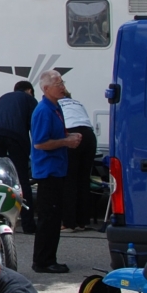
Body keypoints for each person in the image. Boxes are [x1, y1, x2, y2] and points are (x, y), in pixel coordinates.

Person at [28, 71, 78, 273]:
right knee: (48, 218)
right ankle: (43, 261)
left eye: (62, 81)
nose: (62, 86)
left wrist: (69, 136)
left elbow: (55, 135)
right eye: (57, 83)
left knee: (55, 217)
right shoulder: (43, 111)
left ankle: (50, 257)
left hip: (58, 169)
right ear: (46, 88)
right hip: (48, 172)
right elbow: (40, 143)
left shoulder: (56, 108)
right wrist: (66, 141)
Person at [0, 81, 38, 233]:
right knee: (21, 180)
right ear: (29, 90)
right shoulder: (29, 99)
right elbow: (35, 124)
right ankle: (28, 225)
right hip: (16, 138)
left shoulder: (2, 98)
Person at [57, 85, 97, 230]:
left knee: (69, 180)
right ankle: (83, 221)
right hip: (89, 136)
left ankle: (68, 222)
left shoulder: (57, 103)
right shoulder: (77, 103)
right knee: (84, 179)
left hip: (72, 133)